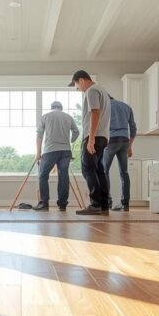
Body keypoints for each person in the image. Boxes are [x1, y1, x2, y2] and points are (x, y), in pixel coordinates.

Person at [68, 70, 111, 215]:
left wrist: (90, 138)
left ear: (81, 80)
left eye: (76, 86)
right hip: (103, 136)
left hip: (94, 136)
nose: (78, 89)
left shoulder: (91, 91)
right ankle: (104, 204)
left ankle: (95, 204)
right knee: (99, 170)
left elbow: (95, 112)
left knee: (88, 169)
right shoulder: (102, 90)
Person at [34, 101, 80, 211]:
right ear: (61, 107)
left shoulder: (45, 116)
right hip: (65, 150)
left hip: (50, 150)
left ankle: (44, 203)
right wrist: (70, 141)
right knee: (63, 176)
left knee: (43, 175)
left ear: (51, 107)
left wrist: (38, 152)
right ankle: (62, 205)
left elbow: (39, 134)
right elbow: (76, 132)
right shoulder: (68, 117)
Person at [103, 97, 137, 211]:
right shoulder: (126, 107)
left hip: (111, 140)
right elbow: (133, 128)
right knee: (124, 172)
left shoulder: (105, 106)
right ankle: (125, 204)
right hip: (124, 141)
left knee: (104, 171)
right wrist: (130, 146)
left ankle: (107, 202)